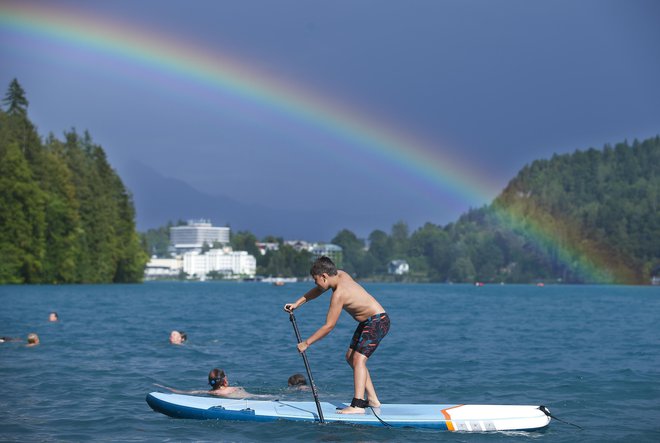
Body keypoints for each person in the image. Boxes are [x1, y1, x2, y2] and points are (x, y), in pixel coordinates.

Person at [284, 256, 390, 414]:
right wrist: (297, 303)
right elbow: (318, 290)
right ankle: (373, 399)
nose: (315, 284)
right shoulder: (341, 274)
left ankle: (357, 405)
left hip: (377, 321)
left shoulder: (339, 294)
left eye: (315, 280)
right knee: (350, 357)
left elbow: (329, 326)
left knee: (358, 360)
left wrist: (307, 343)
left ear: (324, 276)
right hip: (368, 322)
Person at [155, 368, 272, 399]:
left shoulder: (210, 392)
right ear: (225, 380)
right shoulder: (234, 389)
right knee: (258, 396)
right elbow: (253, 396)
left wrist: (166, 388)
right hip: (245, 398)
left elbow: (186, 392)